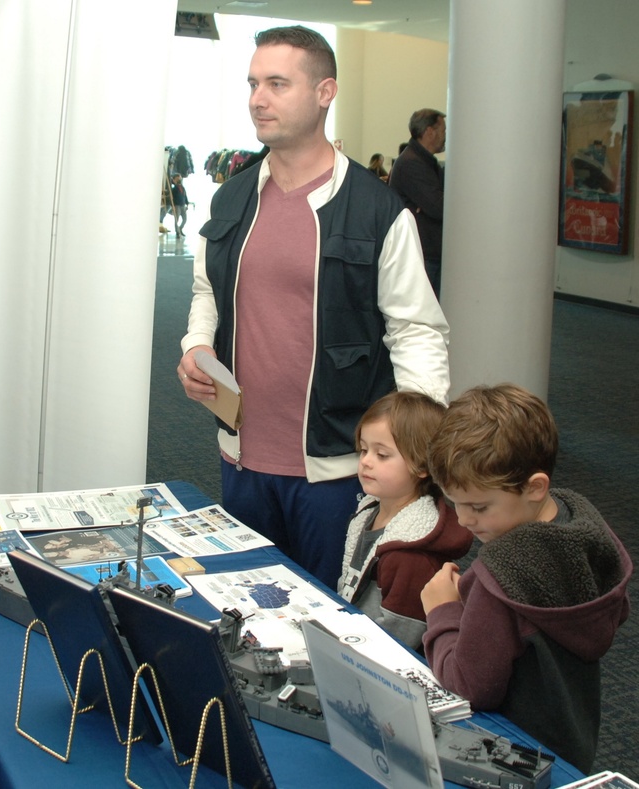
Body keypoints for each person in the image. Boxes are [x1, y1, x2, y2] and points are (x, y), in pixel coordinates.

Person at [176, 25, 450, 589]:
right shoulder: (231, 198)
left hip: (339, 470)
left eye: (277, 83)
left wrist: (417, 446)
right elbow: (207, 292)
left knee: (330, 623)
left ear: (325, 92)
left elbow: (415, 329)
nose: (258, 98)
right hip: (242, 459)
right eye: (253, 82)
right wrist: (196, 346)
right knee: (247, 609)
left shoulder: (377, 211)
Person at [420, 384, 632, 772]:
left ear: (535, 488)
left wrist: (444, 611)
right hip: (572, 743)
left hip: (509, 752)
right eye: (455, 504)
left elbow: (468, 685)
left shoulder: (501, 576)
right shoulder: (581, 526)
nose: (464, 520)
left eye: (478, 506)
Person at [336, 392, 471, 649]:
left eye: (382, 455)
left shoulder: (411, 554)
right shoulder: (368, 513)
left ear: (422, 466)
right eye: (364, 450)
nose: (365, 461)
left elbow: (399, 639)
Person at [388, 109, 446, 297]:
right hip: (422, 253)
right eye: (443, 131)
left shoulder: (425, 161)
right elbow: (439, 207)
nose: (446, 136)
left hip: (427, 251)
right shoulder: (412, 163)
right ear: (429, 132)